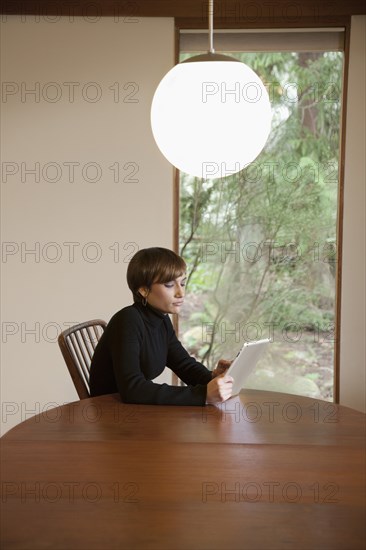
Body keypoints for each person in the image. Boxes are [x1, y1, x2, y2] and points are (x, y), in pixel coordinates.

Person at [89, 247, 233, 405]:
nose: (181, 293)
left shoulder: (162, 320)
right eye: (170, 285)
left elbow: (183, 365)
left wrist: (211, 378)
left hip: (134, 410)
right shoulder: (127, 320)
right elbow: (133, 390)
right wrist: (202, 394)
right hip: (110, 414)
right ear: (144, 290)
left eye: (183, 283)